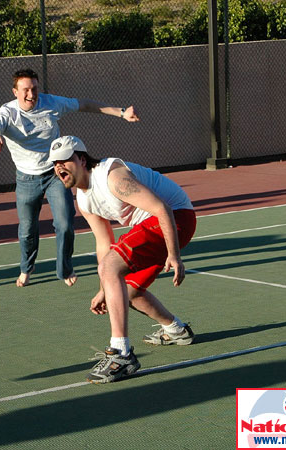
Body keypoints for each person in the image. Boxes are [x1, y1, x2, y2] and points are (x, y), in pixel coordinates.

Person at [48, 136, 196, 384]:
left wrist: (174, 255)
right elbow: (103, 243)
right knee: (125, 293)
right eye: (55, 163)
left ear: (82, 159)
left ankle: (121, 354)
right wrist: (103, 288)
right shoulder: (84, 200)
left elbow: (162, 209)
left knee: (111, 269)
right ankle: (176, 330)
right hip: (154, 224)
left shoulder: (112, 177)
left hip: (175, 218)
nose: (59, 167)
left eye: (65, 160)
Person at [0, 68, 140, 288]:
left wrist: (121, 112)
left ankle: (65, 269)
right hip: (26, 179)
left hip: (55, 173)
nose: (31, 95)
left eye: (34, 89)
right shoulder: (6, 114)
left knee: (65, 223)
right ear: (15, 92)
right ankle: (26, 268)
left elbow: (85, 105)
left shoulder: (51, 103)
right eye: (25, 90)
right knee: (27, 230)